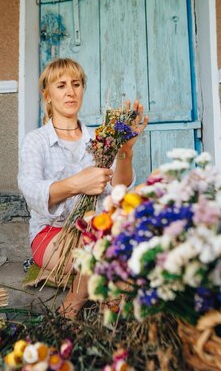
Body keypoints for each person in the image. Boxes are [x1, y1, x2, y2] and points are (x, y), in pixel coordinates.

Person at [17, 58, 148, 318]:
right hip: (52, 234)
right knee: (103, 251)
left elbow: (119, 187)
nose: (70, 91)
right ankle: (71, 307)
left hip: (95, 227)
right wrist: (78, 184)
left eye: (76, 84)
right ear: (47, 94)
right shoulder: (36, 141)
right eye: (61, 85)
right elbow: (31, 192)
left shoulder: (98, 140)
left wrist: (124, 151)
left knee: (118, 234)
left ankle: (103, 313)